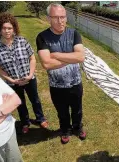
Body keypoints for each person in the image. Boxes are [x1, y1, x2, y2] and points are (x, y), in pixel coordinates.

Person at [36, 3, 86, 144]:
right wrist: (70, 58)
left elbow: (81, 57)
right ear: (48, 18)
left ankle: (77, 127)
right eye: (56, 17)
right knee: (62, 112)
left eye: (63, 17)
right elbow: (46, 64)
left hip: (75, 82)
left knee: (77, 110)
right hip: (56, 86)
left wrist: (56, 54)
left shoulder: (74, 33)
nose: (60, 21)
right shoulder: (42, 37)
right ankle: (65, 130)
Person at [0, 13, 48, 134]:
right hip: (13, 82)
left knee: (35, 100)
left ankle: (40, 118)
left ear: (14, 29)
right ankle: (25, 122)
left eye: (9, 28)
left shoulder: (22, 41)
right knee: (20, 103)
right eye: (4, 28)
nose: (7, 31)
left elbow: (32, 58)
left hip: (29, 78)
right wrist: (11, 80)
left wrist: (30, 74)